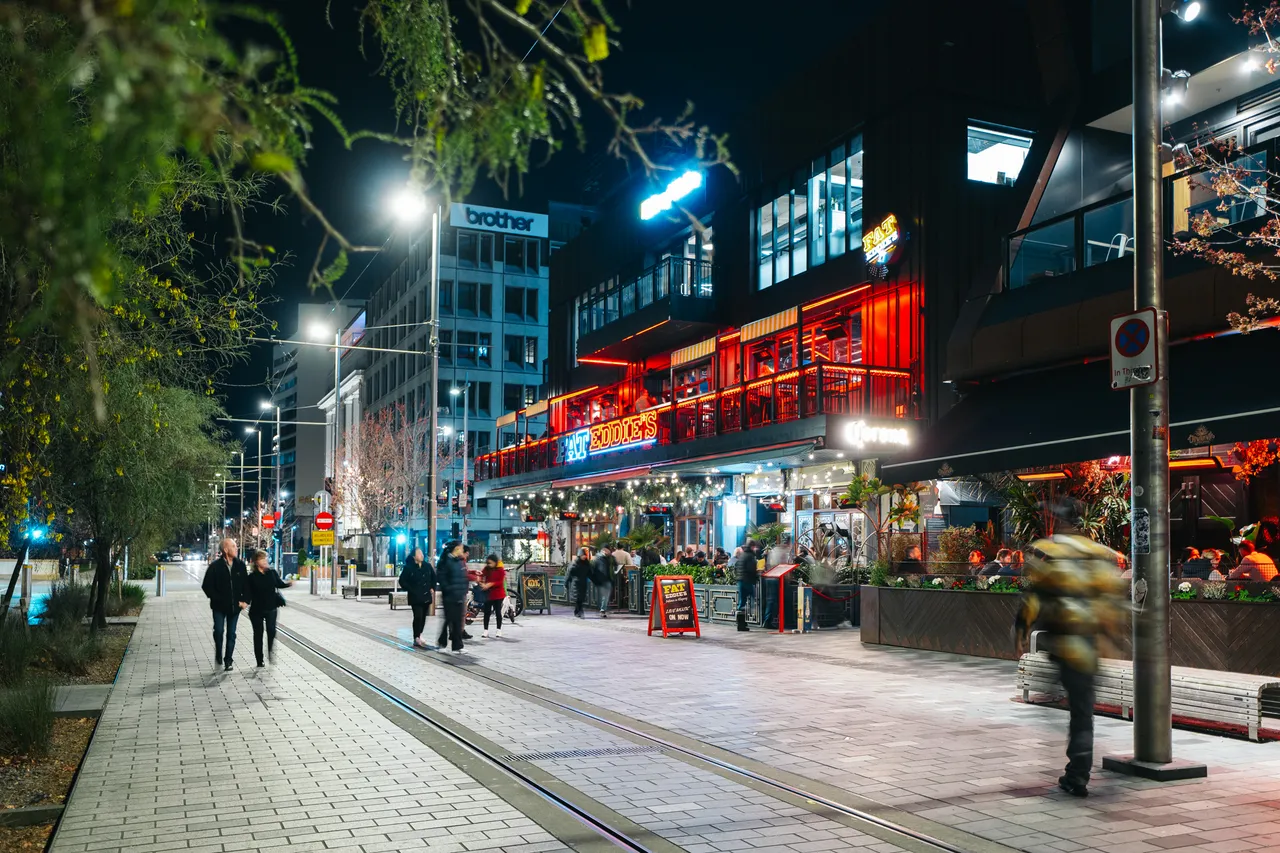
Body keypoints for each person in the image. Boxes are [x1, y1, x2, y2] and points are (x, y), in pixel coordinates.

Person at [1015, 515, 1127, 798]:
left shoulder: (1051, 553)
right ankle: (1078, 772)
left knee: (1077, 714)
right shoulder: (1097, 556)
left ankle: (1077, 774)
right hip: (1090, 646)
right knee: (1082, 713)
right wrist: (1111, 639)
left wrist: (1022, 629)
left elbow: (1035, 597)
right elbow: (1112, 602)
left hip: (1065, 646)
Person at [201, 538, 249, 671]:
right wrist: (217, 598)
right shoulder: (215, 566)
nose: (236, 548)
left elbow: (246, 585)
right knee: (219, 631)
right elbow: (206, 586)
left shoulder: (240, 565)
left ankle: (228, 660)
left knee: (231, 633)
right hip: (219, 607)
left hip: (235, 607)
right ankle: (218, 652)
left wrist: (245, 601)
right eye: (233, 546)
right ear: (226, 550)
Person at [243, 548, 292, 667]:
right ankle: (259, 660)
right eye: (262, 559)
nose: (265, 561)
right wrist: (244, 602)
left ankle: (270, 652)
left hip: (271, 608)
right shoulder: (251, 577)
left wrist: (289, 584)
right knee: (258, 634)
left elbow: (279, 584)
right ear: (256, 562)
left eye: (265, 558)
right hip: (256, 610)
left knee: (271, 631)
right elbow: (248, 593)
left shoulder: (272, 573)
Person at [398, 547, 437, 648]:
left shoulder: (427, 566)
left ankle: (419, 634)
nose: (421, 555)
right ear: (414, 556)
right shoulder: (409, 567)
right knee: (418, 616)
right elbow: (402, 581)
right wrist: (410, 589)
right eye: (419, 553)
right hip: (415, 597)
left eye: (422, 553)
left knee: (423, 617)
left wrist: (432, 587)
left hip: (426, 596)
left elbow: (434, 578)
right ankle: (416, 637)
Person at [435, 541, 468, 653]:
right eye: (461, 548)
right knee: (448, 620)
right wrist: (450, 590)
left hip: (459, 596)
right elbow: (442, 578)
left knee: (458, 622)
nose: (462, 550)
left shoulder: (459, 561)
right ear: (456, 548)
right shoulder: (446, 561)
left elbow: (463, 578)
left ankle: (457, 646)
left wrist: (463, 591)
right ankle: (442, 644)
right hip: (449, 597)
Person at [734, 539, 760, 632]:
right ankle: (754, 612)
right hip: (747, 580)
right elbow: (751, 569)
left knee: (742, 602)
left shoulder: (743, 554)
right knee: (754, 597)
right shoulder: (750, 556)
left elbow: (737, 566)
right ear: (752, 547)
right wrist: (757, 575)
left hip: (740, 580)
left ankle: (741, 624)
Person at [479, 555, 506, 638]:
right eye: (488, 563)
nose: (489, 565)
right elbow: (480, 575)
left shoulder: (501, 570)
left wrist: (490, 584)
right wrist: (481, 583)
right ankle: (485, 630)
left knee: (498, 612)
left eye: (490, 563)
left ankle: (498, 630)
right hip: (488, 594)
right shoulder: (486, 568)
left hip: (498, 595)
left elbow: (500, 582)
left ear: (495, 562)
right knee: (486, 612)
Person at [570, 547, 593, 618]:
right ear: (579, 555)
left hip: (583, 583)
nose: (584, 556)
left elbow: (590, 573)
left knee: (581, 598)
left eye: (585, 555)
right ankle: (579, 611)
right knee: (578, 598)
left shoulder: (587, 563)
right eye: (583, 555)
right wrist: (566, 582)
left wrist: (595, 580)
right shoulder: (575, 563)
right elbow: (569, 573)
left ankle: (577, 611)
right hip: (576, 583)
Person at [593, 545, 614, 617]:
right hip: (602, 579)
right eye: (608, 550)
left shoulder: (607, 557)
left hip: (607, 579)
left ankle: (603, 609)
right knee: (605, 595)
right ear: (604, 550)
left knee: (605, 595)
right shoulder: (599, 558)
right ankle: (602, 609)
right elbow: (594, 568)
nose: (609, 552)